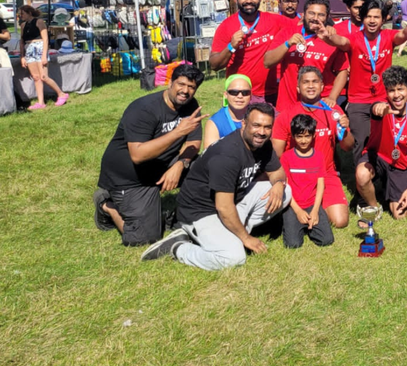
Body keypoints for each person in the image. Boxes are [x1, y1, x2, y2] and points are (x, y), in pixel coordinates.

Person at [140, 103, 292, 269]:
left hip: (232, 200)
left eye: (267, 127)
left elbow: (278, 172)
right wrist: (246, 239)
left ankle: (230, 234)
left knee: (286, 192)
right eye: (256, 125)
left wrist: (278, 183)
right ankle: (179, 248)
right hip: (201, 212)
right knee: (233, 257)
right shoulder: (227, 155)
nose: (261, 132)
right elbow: (223, 207)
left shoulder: (262, 144)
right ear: (244, 124)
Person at [94, 64, 205, 246]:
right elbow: (138, 155)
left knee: (203, 165)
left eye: (191, 87)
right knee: (145, 239)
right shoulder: (143, 109)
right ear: (170, 83)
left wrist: (180, 165)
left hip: (162, 165)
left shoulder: (190, 105)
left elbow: (194, 142)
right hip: (129, 176)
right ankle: (107, 205)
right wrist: (178, 132)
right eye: (181, 84)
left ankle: (185, 215)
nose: (185, 91)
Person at [325, 0, 407, 161]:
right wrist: (327, 37)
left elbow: (404, 35)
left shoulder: (388, 36)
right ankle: (361, 180)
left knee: (386, 140)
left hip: (384, 99)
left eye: (376, 17)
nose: (372, 21)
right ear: (363, 18)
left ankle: (383, 174)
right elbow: (341, 41)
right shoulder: (355, 38)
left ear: (383, 19)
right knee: (361, 141)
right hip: (358, 101)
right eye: (368, 16)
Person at [270, 66, 354, 228]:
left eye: (315, 82)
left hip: (325, 173)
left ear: (322, 86)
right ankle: (306, 206)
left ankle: (317, 205)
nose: (310, 86)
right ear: (298, 87)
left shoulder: (333, 111)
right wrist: (279, 182)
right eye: (305, 82)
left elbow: (348, 147)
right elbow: (277, 154)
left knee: (340, 221)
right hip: (295, 176)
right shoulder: (287, 114)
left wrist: (344, 129)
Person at [356, 66, 407, 219]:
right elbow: (376, 108)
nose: (396, 95)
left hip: (400, 163)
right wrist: (379, 109)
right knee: (362, 174)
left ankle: (388, 187)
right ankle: (374, 208)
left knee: (399, 214)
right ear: (386, 92)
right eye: (391, 90)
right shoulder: (382, 107)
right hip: (377, 156)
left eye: (400, 89)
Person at [264, 0, 350, 111]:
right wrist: (287, 44)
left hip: (319, 106)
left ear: (327, 16)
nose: (315, 18)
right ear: (303, 14)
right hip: (288, 106)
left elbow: (343, 71)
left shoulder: (332, 38)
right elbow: (267, 62)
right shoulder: (288, 32)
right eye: (311, 13)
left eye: (321, 15)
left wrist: (332, 97)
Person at [210, 0, 282, 105]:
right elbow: (214, 65)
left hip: (271, 94)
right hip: (240, 96)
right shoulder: (226, 26)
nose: (249, 0)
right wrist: (231, 46)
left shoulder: (275, 21)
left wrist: (329, 27)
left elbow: (300, 24)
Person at [280, 114, 336, 249]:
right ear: (293, 136)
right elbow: (284, 187)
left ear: (313, 136)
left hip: (312, 204)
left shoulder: (318, 156)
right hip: (293, 205)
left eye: (307, 136)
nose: (303, 140)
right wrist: (298, 211)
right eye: (299, 136)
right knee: (293, 244)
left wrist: (316, 210)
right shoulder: (286, 157)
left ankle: (309, 225)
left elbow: (320, 184)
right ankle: (291, 224)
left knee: (326, 240)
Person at [17, 5, 69, 110]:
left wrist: (44, 55)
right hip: (29, 49)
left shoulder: (39, 22)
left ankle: (61, 94)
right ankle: (41, 102)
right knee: (36, 77)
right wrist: (22, 56)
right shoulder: (23, 25)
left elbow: (45, 39)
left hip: (39, 48)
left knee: (43, 76)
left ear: (29, 13)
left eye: (22, 13)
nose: (20, 16)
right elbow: (22, 41)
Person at [202, 74, 253, 150]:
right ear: (226, 95)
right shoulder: (215, 123)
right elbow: (210, 157)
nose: (239, 96)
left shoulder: (257, 117)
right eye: (234, 92)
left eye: (245, 93)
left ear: (251, 95)